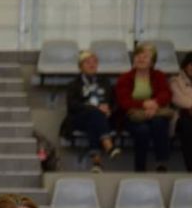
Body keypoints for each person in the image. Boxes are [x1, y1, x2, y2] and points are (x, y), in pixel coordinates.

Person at [115, 42, 173, 173]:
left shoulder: (159, 75)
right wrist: (144, 104)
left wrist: (155, 103)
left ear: (152, 62)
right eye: (138, 56)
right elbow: (124, 102)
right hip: (132, 115)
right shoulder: (125, 78)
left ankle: (161, 163)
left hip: (154, 113)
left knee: (159, 122)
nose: (141, 59)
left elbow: (166, 94)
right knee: (143, 130)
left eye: (145, 56)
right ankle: (140, 168)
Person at [63, 50, 120, 171]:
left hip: (100, 119)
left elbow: (114, 102)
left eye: (94, 62)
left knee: (94, 121)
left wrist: (110, 109)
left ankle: (97, 163)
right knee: (94, 113)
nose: (92, 65)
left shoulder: (105, 81)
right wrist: (93, 107)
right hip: (79, 118)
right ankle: (108, 145)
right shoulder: (73, 84)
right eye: (87, 62)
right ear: (80, 66)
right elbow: (72, 105)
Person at [171, 52, 192, 172]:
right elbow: (177, 99)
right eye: (191, 64)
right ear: (186, 65)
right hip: (182, 116)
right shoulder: (176, 80)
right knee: (187, 126)